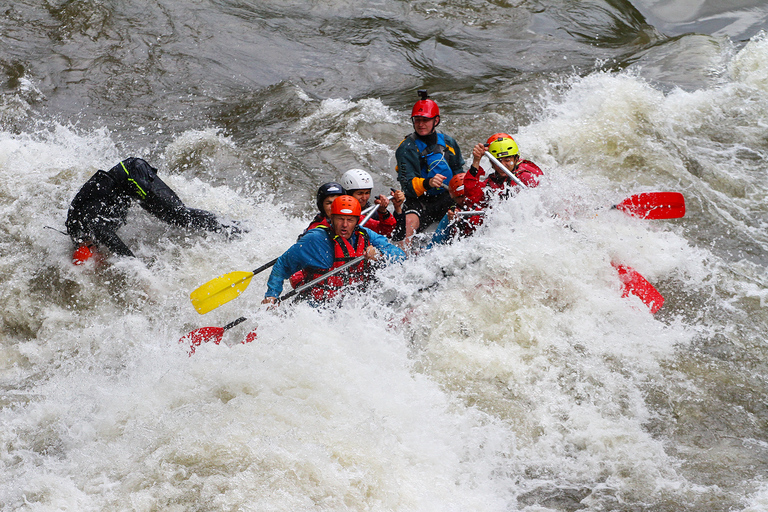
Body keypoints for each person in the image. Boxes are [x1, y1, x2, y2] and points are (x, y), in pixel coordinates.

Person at [66, 157, 243, 261]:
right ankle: (228, 228)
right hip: (126, 185)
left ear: (88, 248)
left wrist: (142, 277)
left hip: (131, 175)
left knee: (178, 215)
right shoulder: (80, 230)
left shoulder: (95, 228)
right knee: (171, 218)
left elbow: (127, 258)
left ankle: (235, 229)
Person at [263, 195, 406, 304]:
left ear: (357, 221)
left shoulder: (367, 235)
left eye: (349, 220)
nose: (344, 225)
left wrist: (379, 254)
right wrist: (272, 295)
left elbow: (401, 256)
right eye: (340, 219)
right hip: (315, 304)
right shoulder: (315, 239)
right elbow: (282, 265)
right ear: (332, 218)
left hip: (352, 305)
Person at [395, 90, 465, 244]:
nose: (420, 124)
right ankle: (402, 261)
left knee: (464, 215)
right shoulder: (406, 148)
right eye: (417, 120)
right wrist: (428, 183)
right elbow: (407, 187)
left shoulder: (448, 142)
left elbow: (459, 172)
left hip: (447, 197)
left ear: (436, 120)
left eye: (425, 120)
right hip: (419, 201)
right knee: (408, 225)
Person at [464, 135, 543, 208]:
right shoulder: (491, 181)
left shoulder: (526, 176)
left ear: (516, 159)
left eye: (507, 160)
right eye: (497, 161)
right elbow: (472, 198)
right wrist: (476, 161)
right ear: (492, 163)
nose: (502, 165)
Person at [339, 168, 404, 237]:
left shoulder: (371, 213)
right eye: (360, 193)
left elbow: (396, 236)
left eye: (367, 193)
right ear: (347, 194)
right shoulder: (335, 211)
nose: (364, 198)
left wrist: (397, 207)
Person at [429, 173, 484, 246]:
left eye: (467, 194)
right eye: (460, 196)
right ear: (453, 198)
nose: (465, 199)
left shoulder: (486, 203)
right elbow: (435, 243)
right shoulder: (451, 214)